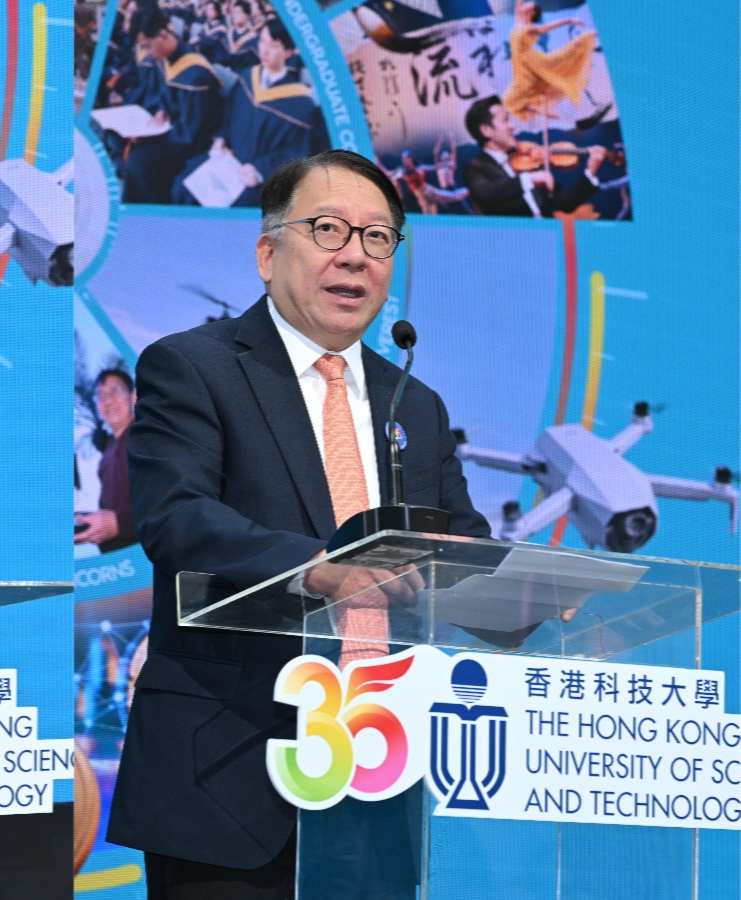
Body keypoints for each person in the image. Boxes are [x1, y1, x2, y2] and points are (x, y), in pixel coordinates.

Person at [106, 149, 489, 897]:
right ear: (267, 252)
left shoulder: (416, 403)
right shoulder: (192, 367)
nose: (356, 256)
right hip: (230, 772)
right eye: (329, 229)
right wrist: (319, 568)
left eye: (379, 238)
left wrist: (528, 594)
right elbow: (176, 520)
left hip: (380, 767)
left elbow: (461, 542)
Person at [171, 22, 325, 208]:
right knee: (182, 187)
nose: (264, 51)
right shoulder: (247, 77)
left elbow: (295, 153)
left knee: (226, 210)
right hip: (228, 160)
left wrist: (260, 170)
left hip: (258, 177)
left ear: (289, 52)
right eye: (262, 42)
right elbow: (229, 114)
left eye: (273, 46)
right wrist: (221, 137)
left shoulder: (300, 104)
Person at [121, 9, 223, 204]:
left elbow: (193, 133)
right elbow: (168, 98)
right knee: (131, 150)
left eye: (148, 47)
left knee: (140, 162)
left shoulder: (194, 74)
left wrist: (151, 136)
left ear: (163, 36)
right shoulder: (168, 59)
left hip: (196, 143)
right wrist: (162, 111)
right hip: (177, 131)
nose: (147, 54)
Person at [460, 95, 603, 218]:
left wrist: (591, 172)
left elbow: (565, 203)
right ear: (486, 131)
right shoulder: (475, 166)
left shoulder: (527, 160)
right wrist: (529, 179)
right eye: (505, 121)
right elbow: (487, 194)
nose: (512, 126)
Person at [78, 367, 139, 552]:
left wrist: (121, 523)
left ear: (133, 397)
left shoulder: (148, 438)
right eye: (100, 396)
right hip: (120, 563)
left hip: (148, 561)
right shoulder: (108, 452)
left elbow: (173, 504)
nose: (107, 400)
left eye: (115, 390)